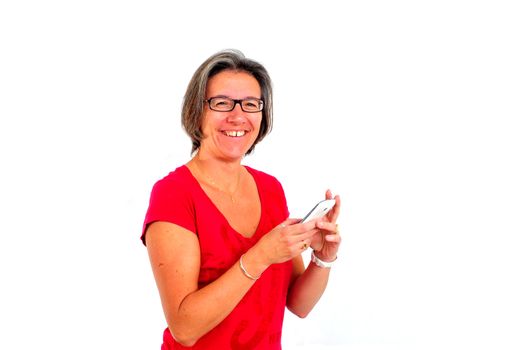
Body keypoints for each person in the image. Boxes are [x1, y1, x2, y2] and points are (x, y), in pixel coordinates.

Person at [141, 49, 341, 349]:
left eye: (250, 104)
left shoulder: (270, 188)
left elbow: (298, 304)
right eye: (222, 103)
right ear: (197, 111)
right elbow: (184, 328)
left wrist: (322, 259)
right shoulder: (174, 194)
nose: (238, 116)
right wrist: (260, 255)